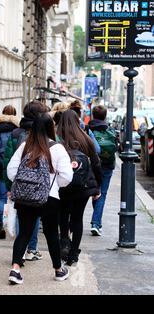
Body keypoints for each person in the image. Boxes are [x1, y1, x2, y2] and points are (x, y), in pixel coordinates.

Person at [7, 113, 73, 285]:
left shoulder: (24, 147)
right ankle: (59, 270)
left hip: (25, 198)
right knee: (52, 234)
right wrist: (52, 185)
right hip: (49, 198)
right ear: (51, 128)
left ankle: (15, 269)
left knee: (24, 233)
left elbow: (11, 171)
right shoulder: (58, 149)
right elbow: (67, 176)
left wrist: (26, 185)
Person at [3, 101, 50, 261]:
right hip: (39, 186)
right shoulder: (47, 136)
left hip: (19, 182)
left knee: (20, 215)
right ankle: (31, 248)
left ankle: (21, 250)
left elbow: (8, 159)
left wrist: (10, 185)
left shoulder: (16, 133)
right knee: (35, 216)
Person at [57, 110, 103, 266]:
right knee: (77, 218)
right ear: (77, 121)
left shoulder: (56, 139)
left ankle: (64, 240)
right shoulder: (85, 138)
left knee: (63, 214)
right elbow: (96, 164)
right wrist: (98, 187)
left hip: (61, 186)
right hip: (82, 187)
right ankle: (73, 253)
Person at [0, 105, 20, 239]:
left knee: (1, 198)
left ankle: (2, 224)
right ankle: (13, 226)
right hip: (14, 169)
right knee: (16, 199)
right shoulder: (17, 130)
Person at [87, 105, 118, 236]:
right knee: (102, 193)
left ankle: (96, 221)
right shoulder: (110, 130)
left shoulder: (88, 129)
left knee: (94, 191)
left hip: (91, 165)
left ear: (93, 115)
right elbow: (116, 147)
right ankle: (96, 223)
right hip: (107, 165)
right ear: (105, 116)